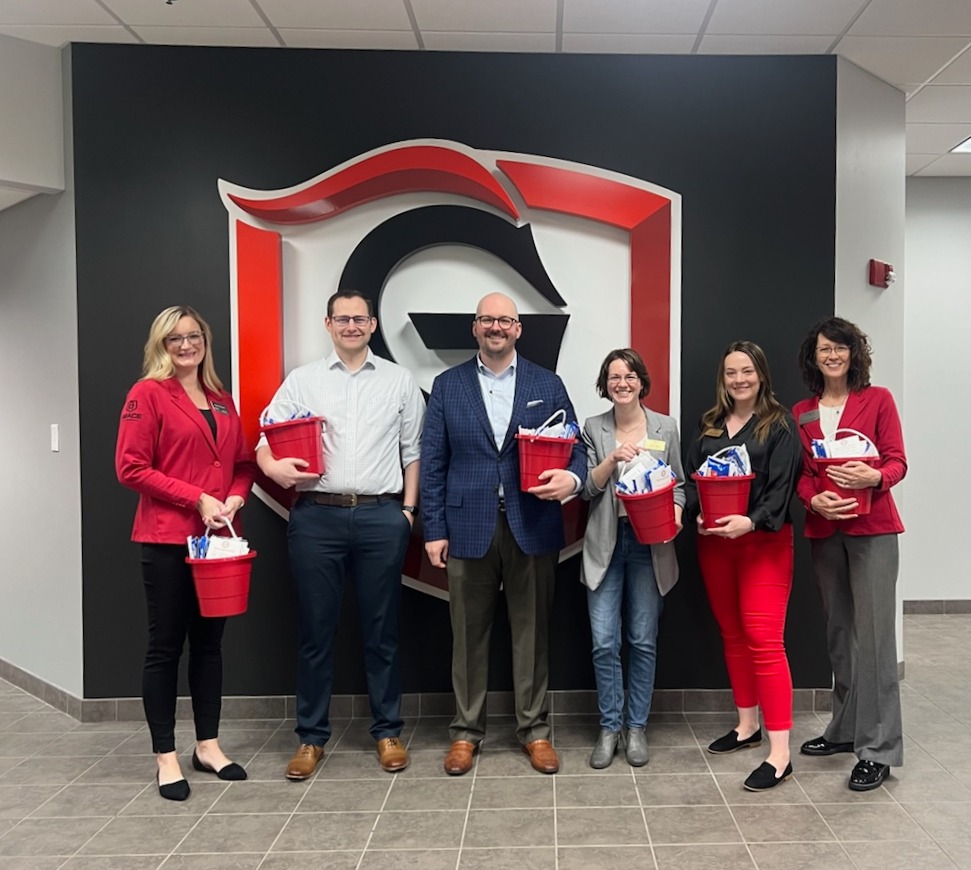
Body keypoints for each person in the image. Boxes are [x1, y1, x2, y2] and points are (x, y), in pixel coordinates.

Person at [257, 289, 424, 780]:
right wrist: (273, 468)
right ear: (327, 324)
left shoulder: (399, 381)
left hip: (381, 517)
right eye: (342, 318)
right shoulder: (303, 381)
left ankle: (388, 732)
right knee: (315, 632)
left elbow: (413, 451)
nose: (351, 326)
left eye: (360, 318)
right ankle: (310, 739)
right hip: (317, 517)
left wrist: (408, 513)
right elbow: (265, 435)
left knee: (382, 633)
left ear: (373, 325)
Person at [421, 292, 586, 776]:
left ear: (519, 329)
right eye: (487, 319)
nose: (496, 327)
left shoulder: (547, 383)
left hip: (531, 524)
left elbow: (575, 448)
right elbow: (433, 463)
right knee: (467, 637)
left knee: (531, 634)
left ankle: (534, 731)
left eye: (505, 320)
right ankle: (466, 734)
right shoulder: (447, 385)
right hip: (466, 525)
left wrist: (572, 480)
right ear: (474, 327)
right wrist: (433, 528)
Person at [116, 305, 256, 801]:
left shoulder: (220, 399)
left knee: (210, 646)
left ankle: (208, 745)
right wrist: (194, 497)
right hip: (167, 539)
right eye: (174, 338)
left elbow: (242, 464)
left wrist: (236, 496)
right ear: (161, 344)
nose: (185, 345)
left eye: (193, 336)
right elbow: (130, 468)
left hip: (216, 543)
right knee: (165, 648)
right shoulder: (147, 394)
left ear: (205, 341)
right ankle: (165, 756)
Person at [793, 317, 906, 791]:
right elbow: (802, 472)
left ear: (853, 354)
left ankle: (877, 749)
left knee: (876, 638)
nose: (833, 356)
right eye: (824, 349)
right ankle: (843, 729)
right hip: (825, 531)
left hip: (873, 530)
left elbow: (897, 460)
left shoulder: (877, 400)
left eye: (840, 348)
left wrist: (874, 477)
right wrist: (810, 498)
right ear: (814, 358)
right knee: (840, 633)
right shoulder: (802, 411)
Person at [684, 340, 801, 791]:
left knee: (765, 640)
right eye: (731, 372)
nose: (739, 380)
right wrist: (696, 509)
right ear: (723, 379)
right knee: (732, 634)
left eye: (747, 371)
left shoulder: (780, 424)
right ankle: (747, 726)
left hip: (763, 545)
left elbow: (782, 490)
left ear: (761, 375)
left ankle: (780, 752)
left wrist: (750, 521)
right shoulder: (709, 424)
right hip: (715, 545)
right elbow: (694, 476)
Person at [580, 348, 685, 769]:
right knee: (604, 642)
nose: (621, 383)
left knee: (642, 641)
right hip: (606, 544)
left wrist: (676, 514)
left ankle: (636, 727)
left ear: (642, 382)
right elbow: (586, 488)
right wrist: (611, 459)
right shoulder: (593, 427)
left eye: (629, 376)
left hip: (650, 546)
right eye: (613, 377)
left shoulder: (666, 427)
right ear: (605, 385)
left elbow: (679, 485)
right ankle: (610, 727)